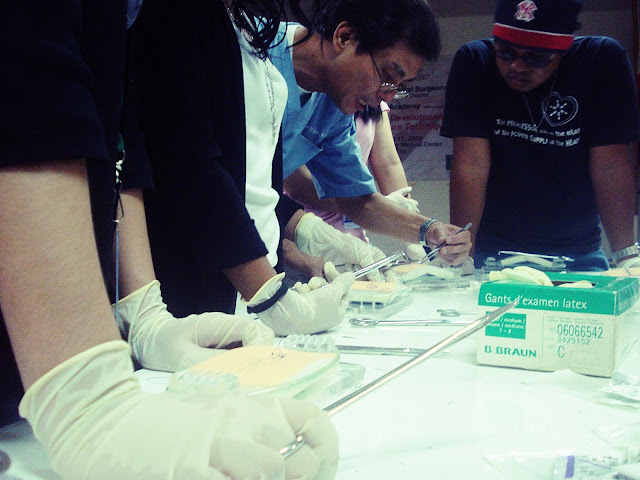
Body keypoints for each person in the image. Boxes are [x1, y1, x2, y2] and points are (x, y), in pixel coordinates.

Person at [0, 1, 338, 478]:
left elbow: (120, 141)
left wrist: (144, 312)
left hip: (40, 365)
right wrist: (84, 394)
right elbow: (25, 90)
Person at [269, 0, 472, 268]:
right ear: (345, 37)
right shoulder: (254, 55)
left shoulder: (332, 108)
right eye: (387, 76)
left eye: (398, 86)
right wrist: (299, 242)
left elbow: (358, 200)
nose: (387, 97)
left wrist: (430, 230)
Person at [441, 0, 640, 271]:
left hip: (577, 252)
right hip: (492, 251)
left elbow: (611, 167)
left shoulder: (602, 60)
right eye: (505, 53)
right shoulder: (475, 62)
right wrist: (463, 255)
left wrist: (626, 255)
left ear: (563, 49)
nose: (516, 67)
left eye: (534, 58)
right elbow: (470, 165)